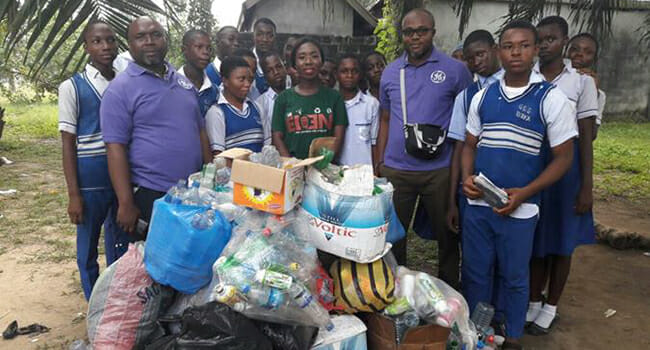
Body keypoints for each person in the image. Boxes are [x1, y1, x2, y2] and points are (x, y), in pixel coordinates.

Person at [461, 20, 577, 350]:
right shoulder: (483, 98)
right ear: (500, 51)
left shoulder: (550, 98)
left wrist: (525, 193)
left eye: (524, 45)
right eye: (509, 46)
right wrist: (467, 178)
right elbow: (469, 145)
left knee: (514, 276)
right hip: (478, 206)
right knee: (476, 273)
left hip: (521, 208)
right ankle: (476, 335)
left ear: (535, 50)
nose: (516, 52)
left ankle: (512, 336)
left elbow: (564, 159)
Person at [376, 8, 472, 287]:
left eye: (422, 31)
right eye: (409, 32)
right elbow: (384, 119)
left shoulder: (456, 70)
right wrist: (379, 162)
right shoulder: (392, 72)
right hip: (397, 169)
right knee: (393, 237)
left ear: (433, 32)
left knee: (448, 235)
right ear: (402, 35)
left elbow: (466, 120)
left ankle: (451, 291)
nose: (415, 37)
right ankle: (396, 289)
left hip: (439, 170)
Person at [100, 17, 212, 237]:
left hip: (193, 192)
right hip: (151, 194)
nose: (149, 41)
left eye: (156, 35)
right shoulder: (119, 90)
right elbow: (115, 148)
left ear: (166, 40)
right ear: (130, 45)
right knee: (154, 264)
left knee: (189, 259)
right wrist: (125, 202)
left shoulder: (183, 84)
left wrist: (210, 178)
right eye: (140, 37)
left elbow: (199, 131)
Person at [527, 16, 598, 336]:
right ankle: (532, 300)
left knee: (562, 242)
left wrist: (586, 186)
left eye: (551, 39)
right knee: (536, 239)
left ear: (564, 42)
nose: (544, 45)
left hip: (567, 171)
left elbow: (586, 138)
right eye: (539, 39)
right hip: (532, 169)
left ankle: (551, 305)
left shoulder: (581, 82)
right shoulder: (525, 76)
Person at [58, 20, 129, 300]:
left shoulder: (124, 83)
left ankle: (117, 299)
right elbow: (67, 143)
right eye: (97, 41)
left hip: (122, 176)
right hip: (91, 180)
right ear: (86, 47)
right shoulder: (72, 87)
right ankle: (94, 303)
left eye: (110, 40)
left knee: (120, 242)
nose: (105, 47)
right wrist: (73, 194)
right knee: (87, 246)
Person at [447, 29, 502, 233]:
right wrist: (454, 195)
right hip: (475, 188)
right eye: (470, 59)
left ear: (494, 50)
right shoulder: (466, 96)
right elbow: (460, 148)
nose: (476, 61)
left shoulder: (522, 85)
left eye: (481, 54)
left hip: (514, 186)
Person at [272, 38, 348, 159]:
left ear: (321, 61)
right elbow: (277, 137)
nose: (308, 61)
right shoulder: (283, 98)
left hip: (325, 169)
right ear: (294, 64)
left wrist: (323, 163)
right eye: (302, 57)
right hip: (293, 169)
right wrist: (292, 165)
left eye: (314, 56)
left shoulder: (334, 97)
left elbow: (338, 137)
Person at [206, 56, 269, 154]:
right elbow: (219, 157)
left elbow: (268, 148)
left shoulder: (258, 108)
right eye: (241, 79)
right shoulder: (217, 113)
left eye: (249, 79)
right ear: (225, 81)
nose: (247, 84)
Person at [337, 53, 380, 166]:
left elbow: (375, 143)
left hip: (365, 173)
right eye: (344, 71)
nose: (349, 75)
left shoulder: (371, 104)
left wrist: (375, 173)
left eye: (354, 71)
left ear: (360, 75)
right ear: (336, 74)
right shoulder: (331, 104)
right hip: (338, 173)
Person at [567, 33, 605, 139]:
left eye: (588, 52)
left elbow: (591, 135)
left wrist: (594, 91)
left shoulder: (599, 94)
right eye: (574, 49)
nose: (579, 54)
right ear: (565, 50)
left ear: (594, 58)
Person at [178, 29, 219, 117]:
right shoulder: (171, 85)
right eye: (199, 47)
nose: (206, 52)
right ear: (184, 50)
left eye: (209, 49)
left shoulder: (214, 91)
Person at [257, 51, 288, 128]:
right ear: (264, 76)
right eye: (269, 70)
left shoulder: (298, 94)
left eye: (278, 67)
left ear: (285, 67)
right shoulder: (260, 104)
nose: (276, 72)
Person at [252, 18, 277, 94]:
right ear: (253, 36)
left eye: (270, 35)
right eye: (260, 34)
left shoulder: (280, 64)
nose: (265, 39)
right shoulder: (245, 62)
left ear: (275, 38)